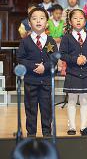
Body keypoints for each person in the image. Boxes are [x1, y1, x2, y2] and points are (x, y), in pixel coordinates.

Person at [16, 7, 58, 137]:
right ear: (29, 23)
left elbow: (55, 57)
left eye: (41, 18)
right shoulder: (25, 41)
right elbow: (20, 58)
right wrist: (34, 66)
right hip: (30, 81)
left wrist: (44, 67)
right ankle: (31, 133)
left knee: (46, 108)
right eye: (34, 19)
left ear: (46, 22)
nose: (38, 21)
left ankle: (47, 132)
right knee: (30, 108)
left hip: (46, 81)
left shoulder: (50, 40)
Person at [60, 9, 87, 135]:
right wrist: (75, 59)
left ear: (85, 21)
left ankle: (84, 127)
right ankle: (71, 126)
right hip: (72, 73)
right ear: (70, 21)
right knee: (71, 100)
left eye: (81, 18)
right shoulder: (66, 37)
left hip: (86, 73)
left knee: (84, 101)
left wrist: (86, 59)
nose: (78, 20)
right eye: (75, 18)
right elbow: (62, 54)